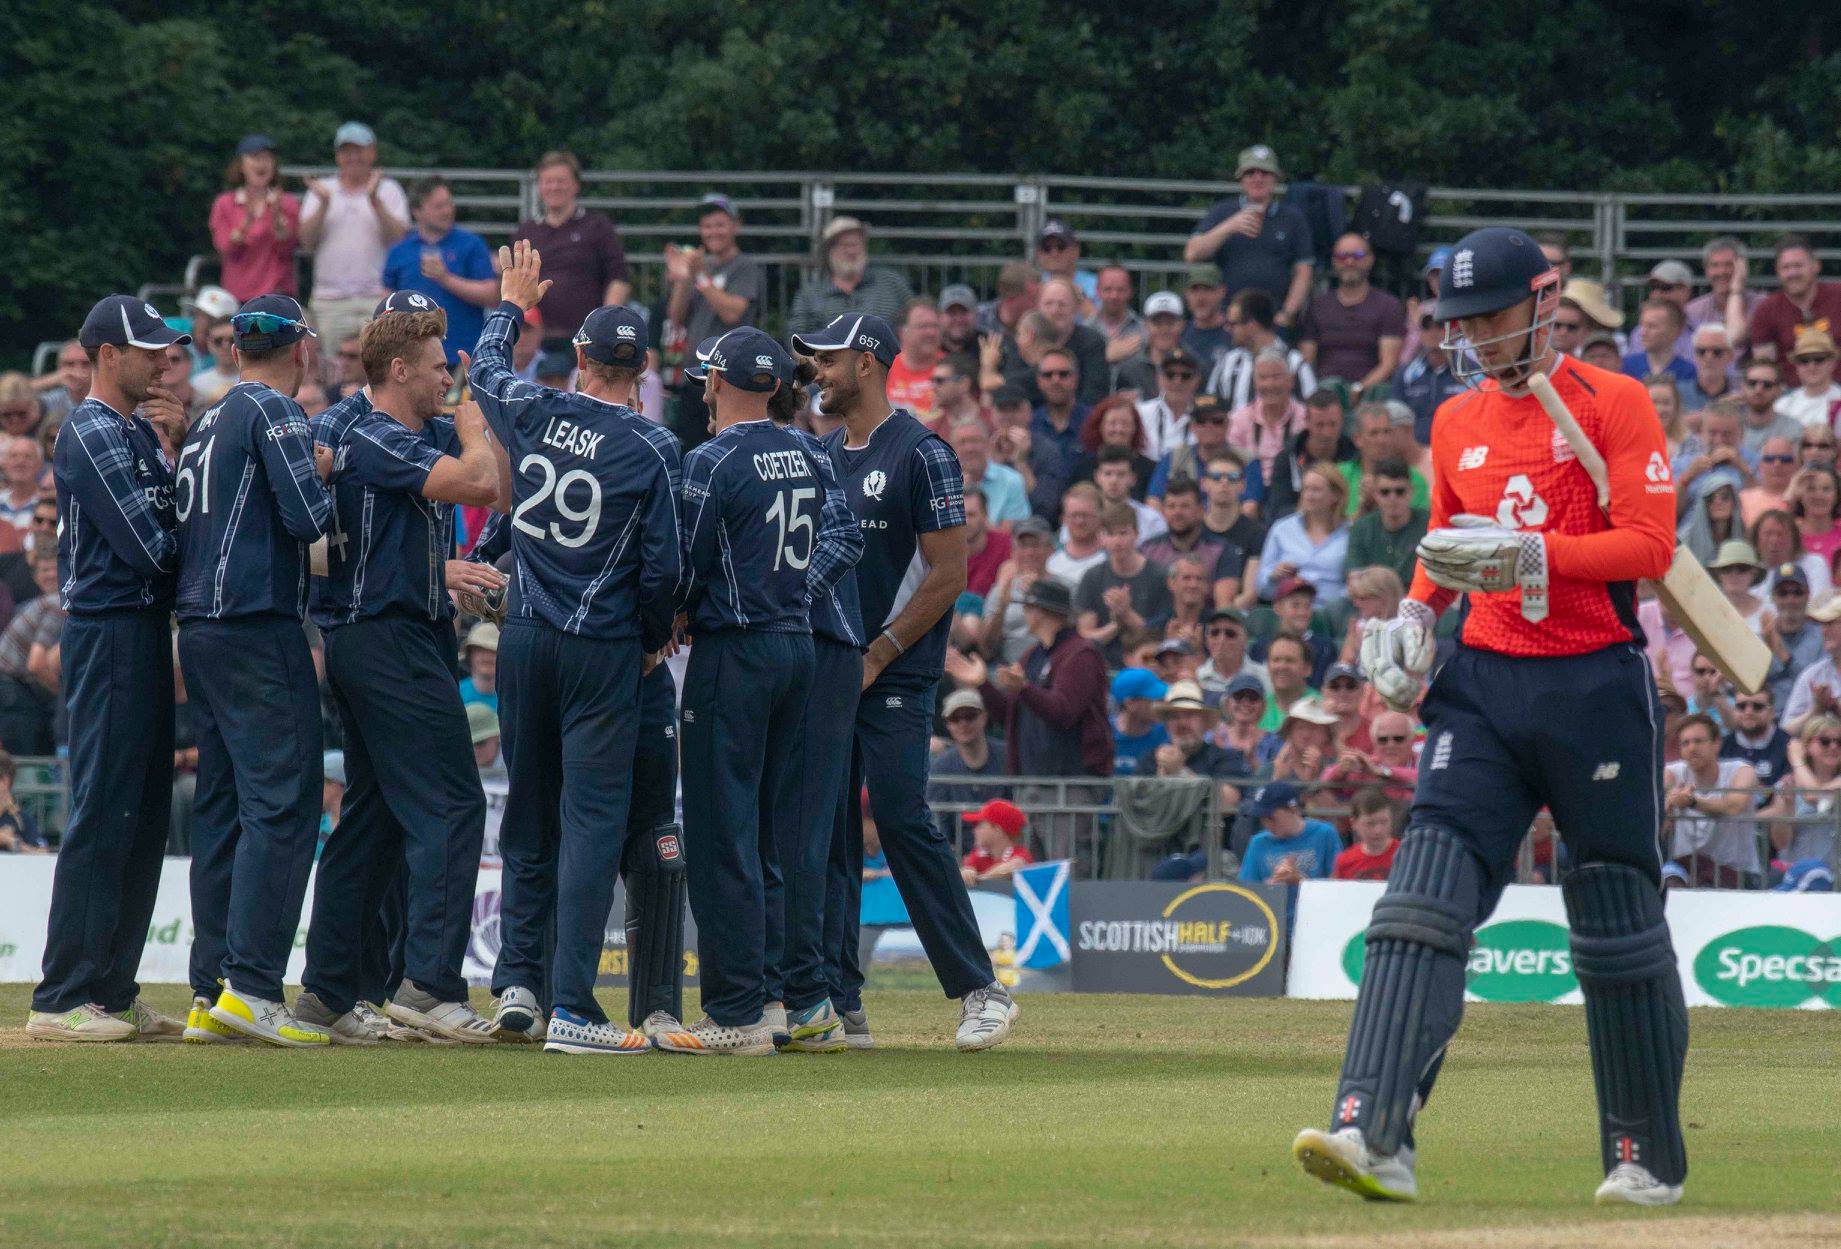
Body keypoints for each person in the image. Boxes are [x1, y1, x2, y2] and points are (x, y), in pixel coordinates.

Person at [1305, 226, 1688, 1207]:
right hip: (1482, 683)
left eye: (1488, 315)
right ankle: (1372, 1130)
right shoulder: (1452, 418)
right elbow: (1446, 538)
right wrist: (1410, 617)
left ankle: (1641, 1155)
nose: (1471, 335)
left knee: (1610, 920)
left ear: (1543, 300)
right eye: (1457, 321)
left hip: (1593, 683)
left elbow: (1646, 546)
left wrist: (1534, 556)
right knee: (1420, 897)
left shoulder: (1617, 404)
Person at [795, 312, 1016, 1051]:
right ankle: (839, 996)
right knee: (827, 829)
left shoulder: (924, 452)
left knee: (898, 814)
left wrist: (878, 653)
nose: (815, 372)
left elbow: (949, 575)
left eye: (825, 358)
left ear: (865, 362)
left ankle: (981, 988)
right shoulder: (822, 453)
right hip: (831, 668)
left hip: (894, 671)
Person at [299, 296, 504, 1048]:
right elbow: (482, 484)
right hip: (388, 638)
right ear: (396, 369)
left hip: (369, 634)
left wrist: (437, 564)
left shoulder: (353, 425)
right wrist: (477, 415)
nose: (448, 375)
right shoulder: (381, 433)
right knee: (453, 804)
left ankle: (328, 991)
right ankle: (428, 987)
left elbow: (373, 526)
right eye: (437, 364)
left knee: (375, 819)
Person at [663, 325, 857, 1058]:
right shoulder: (811, 448)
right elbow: (844, 539)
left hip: (735, 651)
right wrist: (790, 592)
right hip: (798, 648)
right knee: (780, 836)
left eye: (707, 376)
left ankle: (739, 1010)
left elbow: (680, 564)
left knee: (721, 836)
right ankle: (804, 1001)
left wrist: (673, 615)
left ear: (719, 382)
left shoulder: (709, 460)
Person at [168, 294, 337, 1046]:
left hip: (198, 625)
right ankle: (256, 986)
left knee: (222, 803)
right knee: (285, 801)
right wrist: (325, 469)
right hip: (254, 620)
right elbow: (307, 518)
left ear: (235, 350)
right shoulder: (275, 412)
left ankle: (210, 990)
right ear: (302, 350)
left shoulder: (207, 416)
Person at [26, 297, 191, 1043]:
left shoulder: (133, 429)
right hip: (108, 631)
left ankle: (113, 988)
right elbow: (150, 546)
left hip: (141, 629)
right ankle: (62, 994)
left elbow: (163, 535)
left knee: (143, 812)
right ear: (103, 354)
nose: (162, 360)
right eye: (146, 348)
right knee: (102, 807)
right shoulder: (91, 430)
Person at [510, 150, 631, 371]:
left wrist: (603, 328)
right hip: (535, 345)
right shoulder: (526, 231)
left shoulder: (597, 226)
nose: (554, 187)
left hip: (585, 341)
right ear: (539, 187)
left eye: (561, 181)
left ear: (576, 185)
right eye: (548, 181)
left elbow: (618, 278)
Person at [299, 122, 409, 351]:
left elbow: (399, 240)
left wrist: (375, 201)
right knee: (332, 371)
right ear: (337, 156)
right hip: (329, 302)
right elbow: (306, 242)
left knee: (379, 369)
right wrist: (324, 204)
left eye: (359, 150)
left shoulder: (389, 189)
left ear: (372, 152)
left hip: (377, 298)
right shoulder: (321, 190)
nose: (353, 157)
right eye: (346, 151)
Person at [1185, 144, 1314, 328]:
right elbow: (1192, 253)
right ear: (1241, 179)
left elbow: (1304, 270)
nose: (1257, 178)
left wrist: (1287, 313)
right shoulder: (1223, 212)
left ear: (1275, 178)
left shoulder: (1293, 217)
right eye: (1250, 172)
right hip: (1228, 321)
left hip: (1274, 320)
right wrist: (1229, 226)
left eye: (1264, 172)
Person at [381, 176, 498, 365]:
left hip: (463, 356)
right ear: (417, 211)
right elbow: (386, 301)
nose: (448, 211)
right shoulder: (399, 251)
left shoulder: (471, 244)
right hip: (412, 358)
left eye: (449, 204)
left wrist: (446, 279)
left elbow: (492, 295)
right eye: (439, 206)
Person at [1299, 233, 1405, 399]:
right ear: (1334, 261)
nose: (1349, 262)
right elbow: (1307, 360)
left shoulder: (1388, 305)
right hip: (1325, 394)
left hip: (1371, 395)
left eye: (1357, 256)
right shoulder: (1318, 306)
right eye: (1342, 256)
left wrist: (1359, 389)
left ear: (1370, 260)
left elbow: (1389, 364)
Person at [1664, 714, 1759, 888]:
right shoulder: (1673, 773)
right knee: (1666, 878)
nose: (1692, 748)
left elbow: (1735, 805)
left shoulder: (1741, 770)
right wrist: (1669, 804)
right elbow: (1658, 812)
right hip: (1687, 869)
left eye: (1698, 741)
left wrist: (1692, 802)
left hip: (1736, 873)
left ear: (1717, 743)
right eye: (1685, 743)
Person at [1075, 502, 1171, 667]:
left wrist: (1126, 613)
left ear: (1136, 534)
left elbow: (1160, 637)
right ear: (1101, 538)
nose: (1117, 541)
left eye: (1123, 533)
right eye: (1110, 534)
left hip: (1149, 667)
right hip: (1102, 666)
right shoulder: (1093, 577)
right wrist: (1116, 624)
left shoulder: (1159, 576)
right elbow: (1084, 635)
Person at [208, 135, 300, 302]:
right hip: (236, 296)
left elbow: (288, 249)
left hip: (277, 295)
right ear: (241, 165)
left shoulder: (288, 203)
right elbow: (225, 248)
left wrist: (277, 218)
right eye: (255, 157)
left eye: (267, 158)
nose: (262, 163)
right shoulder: (225, 203)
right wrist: (247, 223)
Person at [788, 217, 915, 332]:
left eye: (856, 244)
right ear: (829, 251)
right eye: (845, 245)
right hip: (828, 357)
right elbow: (795, 338)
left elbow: (918, 321)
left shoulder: (891, 282)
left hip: (887, 357)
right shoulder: (810, 295)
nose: (852, 251)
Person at [1750, 234, 1841, 382]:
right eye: (1786, 267)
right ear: (1777, 271)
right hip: (1789, 396)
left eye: (1798, 266)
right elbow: (1765, 368)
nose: (1792, 273)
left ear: (1816, 266)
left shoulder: (1838, 297)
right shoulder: (1766, 309)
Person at [1208, 289, 1317, 412]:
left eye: (1232, 324)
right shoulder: (1228, 361)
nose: (1227, 329)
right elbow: (1211, 406)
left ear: (1251, 325)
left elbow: (1311, 409)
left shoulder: (1296, 363)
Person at [1257, 462, 1350, 604]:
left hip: (1332, 613)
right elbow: (1262, 587)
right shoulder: (1282, 529)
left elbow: (1354, 585)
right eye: (1306, 489)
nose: (1308, 495)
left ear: (1335, 495)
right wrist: (1274, 575)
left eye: (1316, 490)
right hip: (1290, 611)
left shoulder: (1350, 533)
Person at [1238, 781, 1342, 884]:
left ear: (1293, 809)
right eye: (1262, 819)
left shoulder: (1324, 834)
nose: (1267, 824)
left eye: (1271, 818)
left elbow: (1338, 885)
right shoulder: (1258, 843)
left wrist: (1301, 881)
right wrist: (1272, 885)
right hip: (1273, 900)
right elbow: (1246, 891)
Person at [1345, 458, 1428, 587]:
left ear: (1411, 492)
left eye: (1400, 491)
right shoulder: (1361, 528)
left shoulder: (1429, 523)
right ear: (1375, 495)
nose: (1392, 498)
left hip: (1418, 596)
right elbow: (1355, 578)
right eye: (1385, 492)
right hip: (1374, 598)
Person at [982, 515, 1053, 664]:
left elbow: (1071, 636)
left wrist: (1041, 592)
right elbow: (987, 648)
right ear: (1013, 552)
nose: (1029, 553)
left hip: (1051, 665)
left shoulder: (1062, 588)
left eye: (1035, 545)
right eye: (1022, 546)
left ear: (1050, 549)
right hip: (1008, 667)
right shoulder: (1001, 589)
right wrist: (1002, 605)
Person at [1759, 563, 1823, 707]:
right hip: (1769, 721)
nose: (1790, 600)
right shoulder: (1761, 639)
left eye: (1797, 593)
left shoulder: (1823, 637)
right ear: (1773, 597)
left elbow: (1819, 687)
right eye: (1783, 593)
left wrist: (1785, 657)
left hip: (1810, 718)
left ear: (1808, 595)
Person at [1774, 328, 1841, 429]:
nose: (1812, 366)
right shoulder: (1782, 406)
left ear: (1832, 363)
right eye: (1804, 360)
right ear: (1796, 367)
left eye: (1819, 359)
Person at [1107, 667, 1169, 774]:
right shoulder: (1103, 733)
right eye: (1155, 699)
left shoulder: (1166, 734)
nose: (1161, 705)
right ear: (1130, 704)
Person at [959, 799, 1034, 884]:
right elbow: (967, 869)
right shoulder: (980, 855)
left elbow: (1015, 866)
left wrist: (979, 880)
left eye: (979, 825)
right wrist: (966, 873)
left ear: (998, 829)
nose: (974, 830)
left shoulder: (1020, 854)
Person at [1333, 786, 1401, 880]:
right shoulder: (1345, 861)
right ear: (1354, 823)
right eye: (1370, 824)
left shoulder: (1405, 854)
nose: (1378, 830)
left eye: (1384, 822)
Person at [1045, 482, 1106, 585]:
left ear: (1100, 517)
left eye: (1086, 515)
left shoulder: (1113, 558)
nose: (1079, 521)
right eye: (1074, 515)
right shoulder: (1049, 556)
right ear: (1063, 518)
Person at [458, 622, 498, 711]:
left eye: (493, 651)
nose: (487, 657)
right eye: (481, 650)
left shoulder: (514, 698)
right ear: (470, 654)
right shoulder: (455, 695)